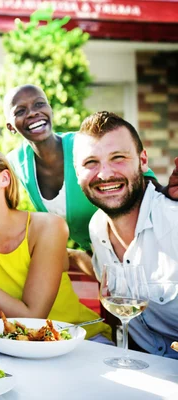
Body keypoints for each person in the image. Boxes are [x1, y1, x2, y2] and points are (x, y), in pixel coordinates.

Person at [0, 141, 111, 341]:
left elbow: (32, 317)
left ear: (4, 179)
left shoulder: (47, 227)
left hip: (79, 340)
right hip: (15, 348)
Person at [3, 84, 171, 254]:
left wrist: (167, 196)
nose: (32, 113)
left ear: (50, 109)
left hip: (140, 245)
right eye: (20, 111)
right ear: (10, 126)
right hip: (97, 257)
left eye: (39, 104)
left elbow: (141, 173)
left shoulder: (84, 145)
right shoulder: (15, 162)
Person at [74, 111, 178, 359]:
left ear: (143, 161)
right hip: (142, 366)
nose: (105, 174)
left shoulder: (173, 219)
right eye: (91, 163)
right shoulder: (97, 228)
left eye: (118, 158)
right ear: (77, 171)